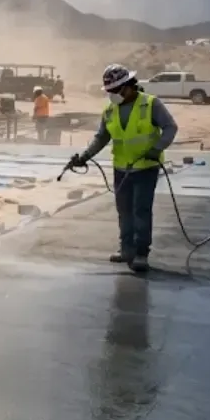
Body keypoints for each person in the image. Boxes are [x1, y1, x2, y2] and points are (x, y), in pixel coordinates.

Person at [68, 64, 177, 272]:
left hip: (146, 168)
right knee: (124, 211)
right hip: (121, 169)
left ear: (128, 86)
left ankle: (141, 253)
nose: (111, 96)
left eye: (114, 91)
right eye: (109, 92)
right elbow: (101, 137)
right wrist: (84, 156)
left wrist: (157, 148)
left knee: (141, 210)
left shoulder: (150, 104)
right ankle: (126, 249)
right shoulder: (110, 110)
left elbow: (171, 127)